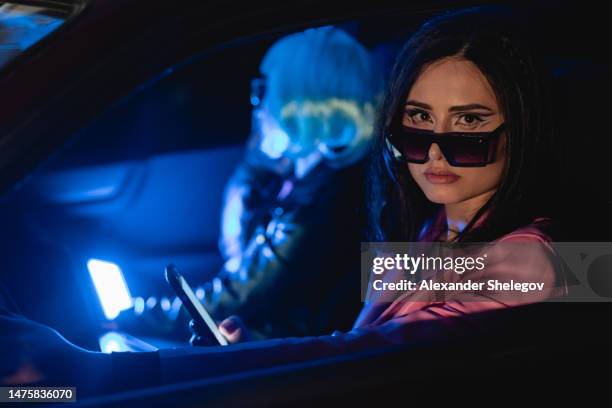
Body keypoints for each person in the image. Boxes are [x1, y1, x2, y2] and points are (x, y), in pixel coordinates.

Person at [1, 7, 571, 393]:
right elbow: (362, 350)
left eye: (468, 128)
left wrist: (116, 373)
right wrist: (254, 350)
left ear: (517, 131)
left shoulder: (533, 261)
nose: (435, 155)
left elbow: (371, 368)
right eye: (417, 126)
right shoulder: (433, 226)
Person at [201, 26, 383, 338]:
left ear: (302, 103)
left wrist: (134, 312)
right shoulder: (308, 177)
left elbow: (239, 295)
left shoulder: (325, 199)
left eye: (267, 90)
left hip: (287, 361)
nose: (259, 104)